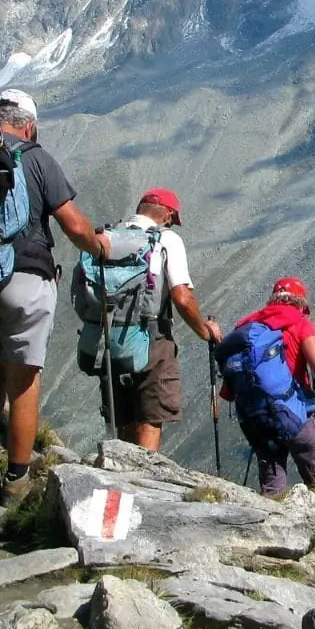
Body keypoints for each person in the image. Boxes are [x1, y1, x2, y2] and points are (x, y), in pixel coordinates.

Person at [0, 89, 108, 503]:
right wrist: (99, 248)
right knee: (24, 380)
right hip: (24, 278)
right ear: (29, 124)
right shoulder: (35, 157)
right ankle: (16, 483)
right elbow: (73, 225)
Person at [105, 187, 220, 451]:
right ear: (167, 214)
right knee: (150, 416)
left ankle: (121, 477)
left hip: (109, 337)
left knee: (124, 417)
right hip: (151, 337)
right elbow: (181, 297)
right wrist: (204, 330)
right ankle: (144, 481)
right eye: (172, 218)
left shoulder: (111, 236)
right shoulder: (166, 240)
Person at [225, 276, 315, 495]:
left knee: (272, 483)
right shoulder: (300, 323)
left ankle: (269, 524)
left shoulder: (250, 327)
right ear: (300, 302)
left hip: (254, 415)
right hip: (292, 412)